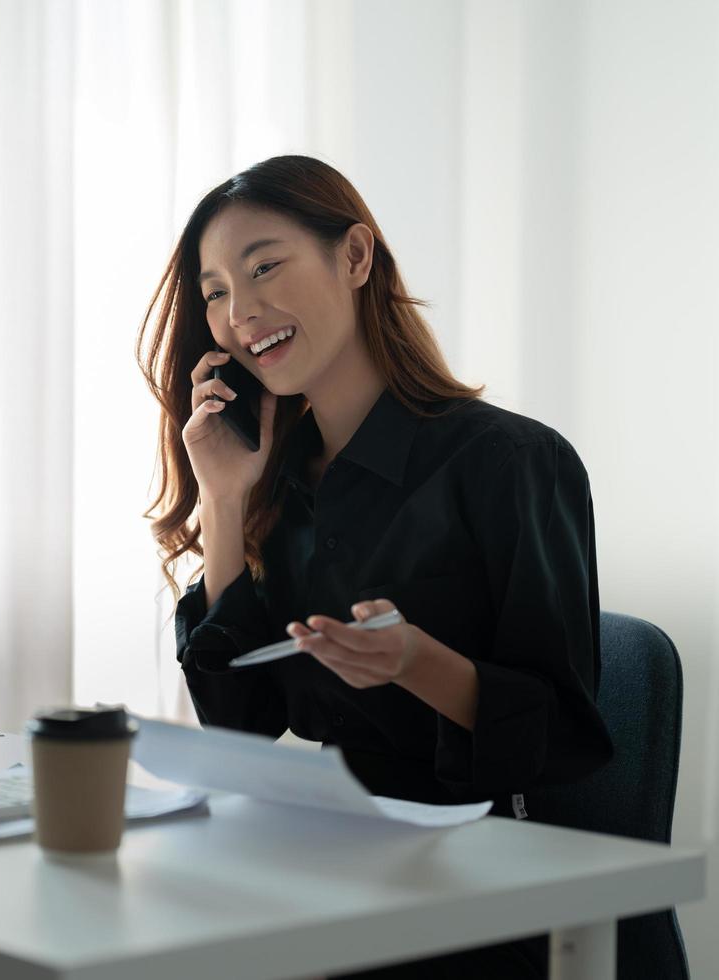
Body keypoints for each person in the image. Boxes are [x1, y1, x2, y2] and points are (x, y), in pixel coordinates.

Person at [135, 154, 614, 979]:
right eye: (214, 291)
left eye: (264, 268)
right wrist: (221, 499)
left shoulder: (509, 461)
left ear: (354, 258)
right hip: (330, 860)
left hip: (481, 888)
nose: (240, 312)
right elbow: (241, 718)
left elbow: (564, 737)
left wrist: (416, 663)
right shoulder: (278, 483)